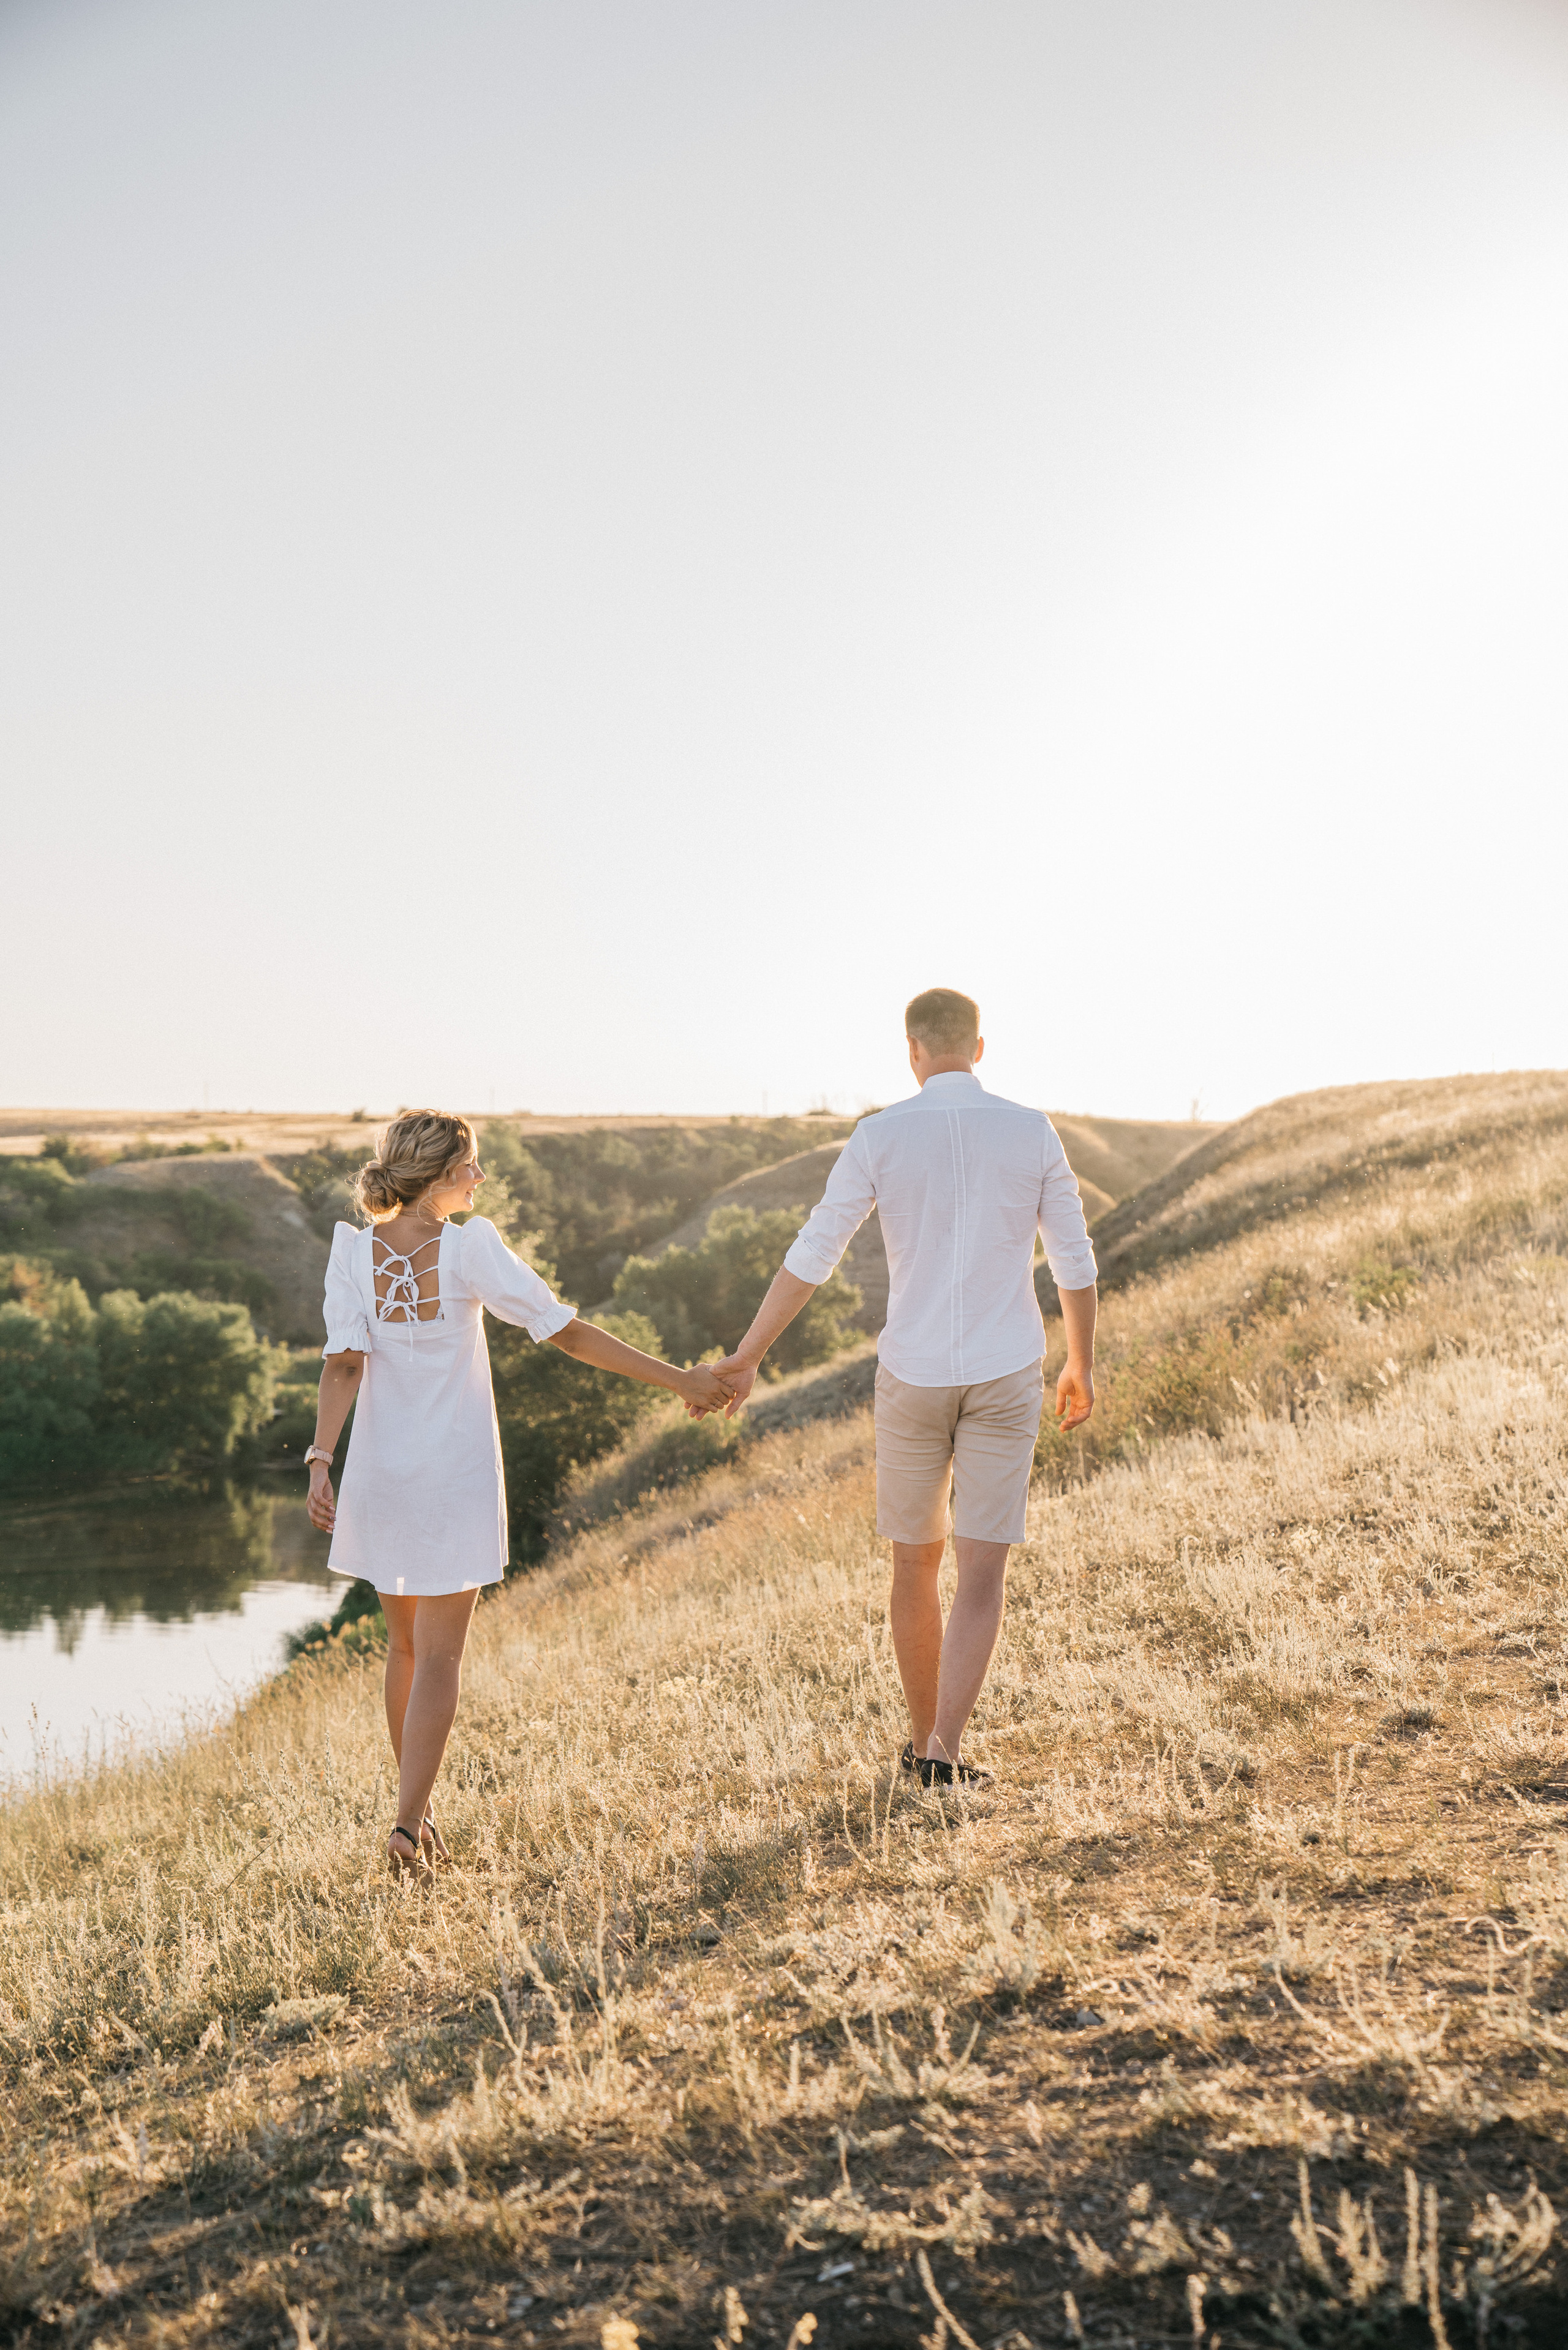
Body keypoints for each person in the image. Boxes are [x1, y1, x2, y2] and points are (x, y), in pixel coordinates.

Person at [304, 1110, 727, 1874]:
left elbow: (342, 1365)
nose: (482, 1178)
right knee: (440, 1657)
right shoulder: (470, 1246)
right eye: (472, 1165)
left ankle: (418, 1820)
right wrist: (680, 1381)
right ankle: (406, 1827)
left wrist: (319, 1461)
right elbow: (563, 1330)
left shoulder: (354, 1252)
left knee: (402, 1648)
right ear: (438, 1177)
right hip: (454, 1474)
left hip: (380, 1474)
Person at [713, 990, 1098, 1787]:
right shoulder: (1031, 1129)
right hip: (1004, 1374)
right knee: (981, 1573)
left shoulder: (878, 1136)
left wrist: (748, 1356)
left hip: (913, 1377)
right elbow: (1074, 1257)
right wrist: (1080, 1363)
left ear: (914, 1051)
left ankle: (926, 1737)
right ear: (979, 1048)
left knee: (913, 1566)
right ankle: (942, 1751)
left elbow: (814, 1251)